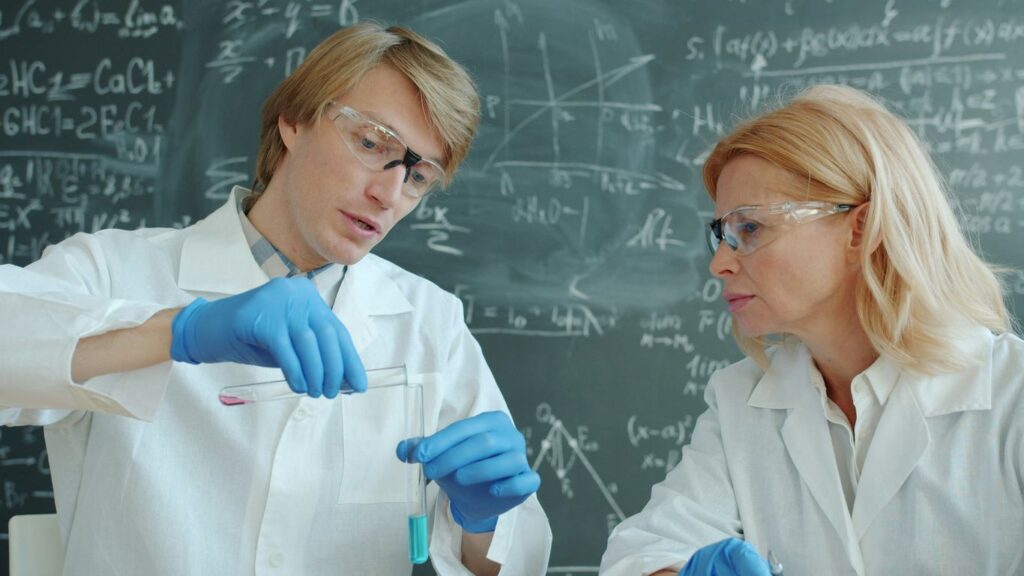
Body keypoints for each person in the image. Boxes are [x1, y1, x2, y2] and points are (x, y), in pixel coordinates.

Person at [0, 23, 550, 575]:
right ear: (294, 120)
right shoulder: (117, 270)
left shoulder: (431, 323)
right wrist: (181, 331)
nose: (388, 194)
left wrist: (483, 522)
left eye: (418, 176)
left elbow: (511, 564)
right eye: (370, 143)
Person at [599, 84, 1024, 575]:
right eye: (722, 234)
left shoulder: (1011, 399)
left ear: (861, 228)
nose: (718, 263)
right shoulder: (742, 403)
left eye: (750, 228)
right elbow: (642, 552)